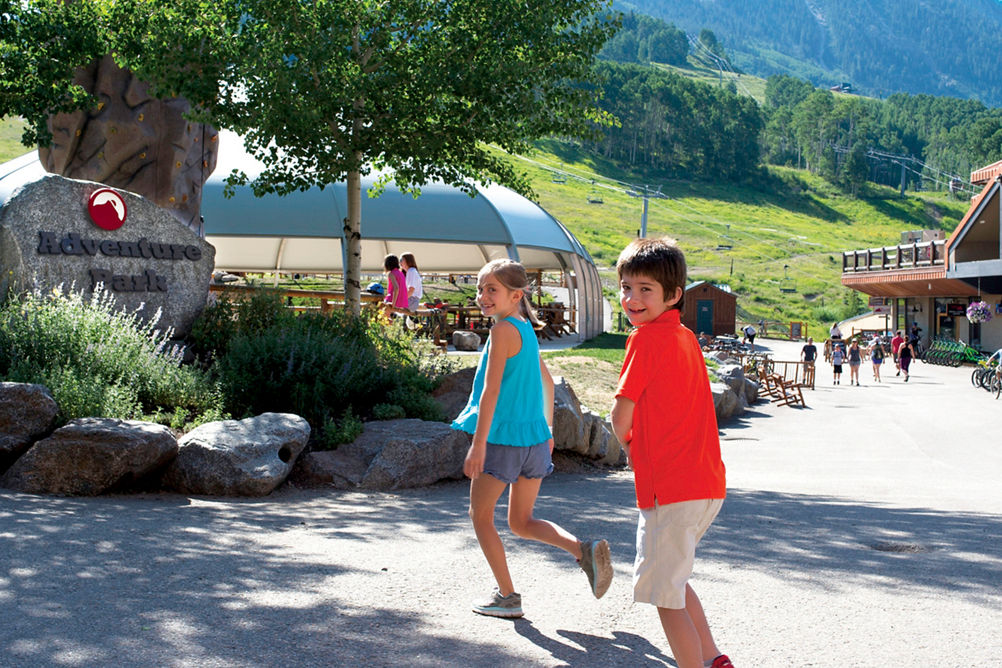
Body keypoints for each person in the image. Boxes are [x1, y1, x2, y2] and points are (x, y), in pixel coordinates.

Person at [451, 258, 613, 620]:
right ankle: (582, 549)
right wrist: (549, 430)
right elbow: (548, 381)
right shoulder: (525, 329)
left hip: (502, 441)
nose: (482, 296)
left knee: (480, 516)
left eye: (491, 289)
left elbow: (491, 392)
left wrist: (478, 445)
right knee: (521, 522)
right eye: (479, 288)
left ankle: (507, 596)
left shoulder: (501, 331)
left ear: (516, 294)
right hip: (535, 441)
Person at [609, 238, 731, 668]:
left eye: (645, 289)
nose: (632, 299)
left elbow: (620, 415)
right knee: (673, 580)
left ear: (674, 295)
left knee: (665, 595)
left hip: (671, 488)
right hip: (705, 485)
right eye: (626, 287)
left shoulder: (645, 340)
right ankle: (714, 659)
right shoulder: (684, 337)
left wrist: (627, 445)